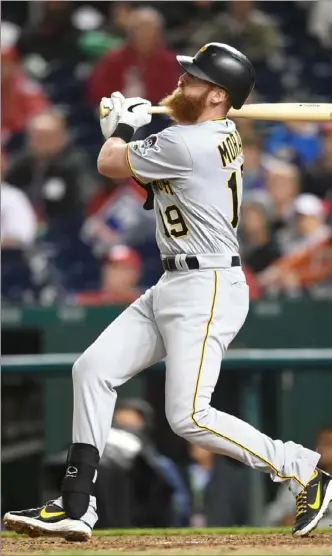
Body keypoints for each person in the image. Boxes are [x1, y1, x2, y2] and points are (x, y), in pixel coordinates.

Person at [4, 42, 332, 541]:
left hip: (208, 286)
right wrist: (134, 131)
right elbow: (150, 170)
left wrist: (122, 130)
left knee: (189, 417)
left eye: (194, 80)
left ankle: (303, 468)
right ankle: (75, 505)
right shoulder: (207, 135)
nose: (181, 84)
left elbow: (111, 163)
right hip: (176, 280)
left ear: (218, 96)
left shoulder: (190, 143)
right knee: (91, 370)